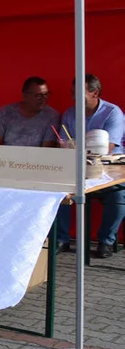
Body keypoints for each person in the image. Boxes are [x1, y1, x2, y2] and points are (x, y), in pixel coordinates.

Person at [55, 74, 125, 258]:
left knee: (119, 194)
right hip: (77, 168)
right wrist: (68, 146)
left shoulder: (112, 112)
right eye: (72, 93)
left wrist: (76, 147)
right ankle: (61, 238)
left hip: (107, 169)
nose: (73, 97)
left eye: (78, 93)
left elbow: (106, 148)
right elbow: (63, 142)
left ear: (95, 93)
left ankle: (106, 241)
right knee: (58, 189)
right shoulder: (70, 113)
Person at [0, 76, 60, 147]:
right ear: (24, 96)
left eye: (46, 94)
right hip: (7, 158)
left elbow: (46, 151)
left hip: (36, 158)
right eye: (39, 95)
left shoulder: (52, 116)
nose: (44, 99)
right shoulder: (5, 112)